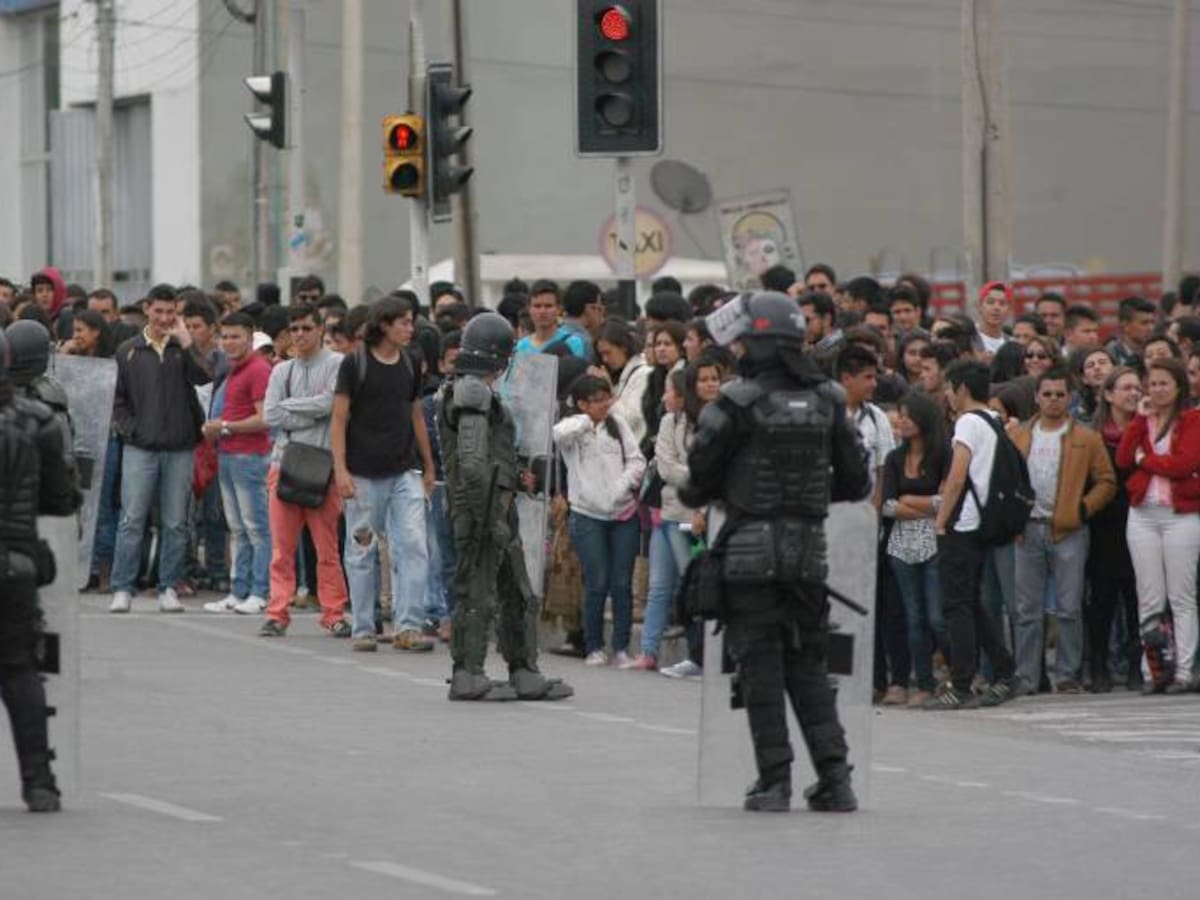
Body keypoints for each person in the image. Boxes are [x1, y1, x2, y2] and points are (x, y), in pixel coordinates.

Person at [683, 291, 871, 813]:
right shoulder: (830, 401)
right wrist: (804, 497)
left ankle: (774, 780)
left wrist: (735, 491)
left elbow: (697, 483)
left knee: (759, 667)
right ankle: (836, 779)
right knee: (809, 666)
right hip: (808, 555)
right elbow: (857, 482)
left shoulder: (735, 402)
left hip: (747, 555)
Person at [437, 312, 573, 701]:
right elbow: (473, 464)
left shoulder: (472, 390)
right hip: (482, 510)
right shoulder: (472, 393)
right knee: (477, 592)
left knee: (517, 591)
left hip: (495, 506)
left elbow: (488, 459)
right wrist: (486, 515)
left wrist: (520, 474)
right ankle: (468, 673)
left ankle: (523, 669)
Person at [0, 329, 82, 812]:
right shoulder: (39, 422)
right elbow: (61, 500)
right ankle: (39, 781)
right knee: (18, 668)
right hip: (16, 563)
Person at [332, 295, 436, 652]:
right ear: (384, 325)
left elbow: (416, 415)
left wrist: (428, 466)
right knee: (361, 550)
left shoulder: (411, 362)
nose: (410, 328)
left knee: (414, 546)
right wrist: (340, 470)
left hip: (404, 470)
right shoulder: (354, 364)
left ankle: (408, 625)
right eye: (404, 322)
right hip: (361, 475)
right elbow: (339, 418)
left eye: (412, 322)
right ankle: (363, 627)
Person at [109, 284, 213, 614]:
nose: (165, 318)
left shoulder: (183, 349)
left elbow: (204, 376)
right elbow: (118, 400)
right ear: (147, 309)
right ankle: (122, 587)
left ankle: (169, 585)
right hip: (139, 448)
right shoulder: (127, 350)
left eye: (171, 312)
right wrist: (131, 430)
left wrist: (187, 341)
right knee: (132, 519)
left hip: (180, 447)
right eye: (160, 311)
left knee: (176, 521)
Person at [1011, 369, 1116, 694]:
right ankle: (1027, 677)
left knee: (1069, 607)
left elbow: (1106, 481)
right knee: (1027, 611)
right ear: (1036, 397)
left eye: (1060, 394)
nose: (1053, 400)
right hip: (1026, 530)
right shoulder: (1019, 435)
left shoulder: (1086, 437)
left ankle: (1068, 674)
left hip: (1069, 530)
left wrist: (1083, 509)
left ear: (1069, 398)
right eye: (1047, 394)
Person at [929, 360, 1019, 709]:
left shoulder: (967, 422)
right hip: (983, 524)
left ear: (962, 388)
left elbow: (957, 477)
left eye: (950, 389)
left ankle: (962, 683)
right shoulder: (994, 421)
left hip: (963, 523)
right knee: (973, 604)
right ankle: (1004, 670)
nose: (948, 396)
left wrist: (941, 520)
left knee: (957, 606)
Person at [258, 304, 350, 638]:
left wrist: (291, 408)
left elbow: (331, 404)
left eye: (306, 328)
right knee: (282, 549)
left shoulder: (338, 364)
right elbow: (270, 415)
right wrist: (309, 413)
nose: (299, 334)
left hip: (324, 466)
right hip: (284, 464)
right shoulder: (281, 371)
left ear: (320, 329)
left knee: (327, 548)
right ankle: (277, 612)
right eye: (294, 328)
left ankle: (334, 612)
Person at [1116, 357, 1200, 693]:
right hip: (1143, 514)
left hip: (1180, 515)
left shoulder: (1192, 419)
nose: (1157, 389)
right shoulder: (1144, 419)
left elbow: (1184, 464)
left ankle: (1184, 670)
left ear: (1179, 386)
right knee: (1149, 596)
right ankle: (1153, 670)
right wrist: (1139, 419)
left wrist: (1145, 461)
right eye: (1152, 383)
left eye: (1164, 383)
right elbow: (1123, 459)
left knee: (1181, 596)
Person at [554, 375, 646, 667]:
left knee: (621, 583)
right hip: (587, 515)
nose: (605, 404)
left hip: (623, 514)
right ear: (582, 403)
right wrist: (586, 420)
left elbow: (637, 460)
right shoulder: (574, 431)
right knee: (597, 582)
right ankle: (593, 645)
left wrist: (621, 486)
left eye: (607, 398)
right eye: (597, 400)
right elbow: (558, 434)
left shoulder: (618, 426)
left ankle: (620, 647)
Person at [200, 313, 273, 615]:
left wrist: (226, 426)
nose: (229, 342)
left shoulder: (258, 369)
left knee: (256, 528)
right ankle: (238, 590)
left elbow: (265, 418)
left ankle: (260, 591)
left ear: (249, 337)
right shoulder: (234, 369)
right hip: (229, 455)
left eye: (236, 336)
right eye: (225, 337)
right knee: (238, 528)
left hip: (250, 457)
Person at [882, 391, 951, 708]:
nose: (901, 420)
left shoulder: (942, 454)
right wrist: (924, 505)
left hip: (934, 542)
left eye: (907, 415)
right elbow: (888, 504)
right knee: (913, 616)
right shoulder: (894, 459)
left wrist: (911, 502)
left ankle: (956, 673)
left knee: (937, 615)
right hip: (901, 546)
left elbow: (946, 500)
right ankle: (922, 681)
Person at [1087, 367, 1143, 692]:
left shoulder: (1148, 431)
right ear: (1108, 395)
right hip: (1103, 525)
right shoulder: (1094, 436)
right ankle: (1099, 666)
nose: (1133, 393)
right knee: (1102, 600)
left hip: (1139, 520)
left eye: (1137, 387)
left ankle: (1139, 664)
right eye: (1125, 388)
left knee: (1138, 599)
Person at [592, 319, 649, 445]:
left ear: (623, 347)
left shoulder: (643, 374)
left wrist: (609, 392)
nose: (605, 359)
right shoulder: (620, 375)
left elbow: (630, 420)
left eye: (608, 353)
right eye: (601, 355)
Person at [514, 280, 587, 358]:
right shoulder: (521, 346)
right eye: (537, 306)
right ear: (529, 309)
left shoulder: (572, 343)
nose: (542, 311)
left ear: (559, 309)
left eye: (548, 306)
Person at [1106, 296, 1157, 369]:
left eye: (1152, 322)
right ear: (1125, 326)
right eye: (1144, 323)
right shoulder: (1109, 356)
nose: (1151, 328)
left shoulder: (1157, 354)